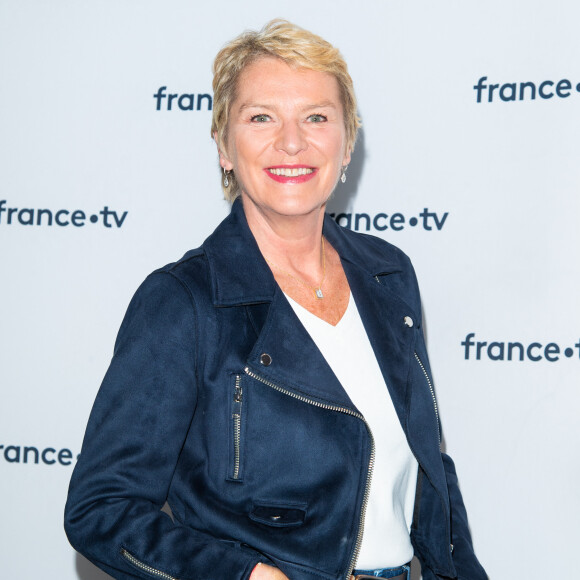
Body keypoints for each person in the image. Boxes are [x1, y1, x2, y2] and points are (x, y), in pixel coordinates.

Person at [64, 19, 487, 580]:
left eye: (316, 117)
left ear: (347, 142)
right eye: (261, 117)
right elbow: (102, 511)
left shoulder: (389, 275)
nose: (292, 142)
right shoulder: (183, 301)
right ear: (224, 146)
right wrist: (247, 577)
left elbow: (431, 475)